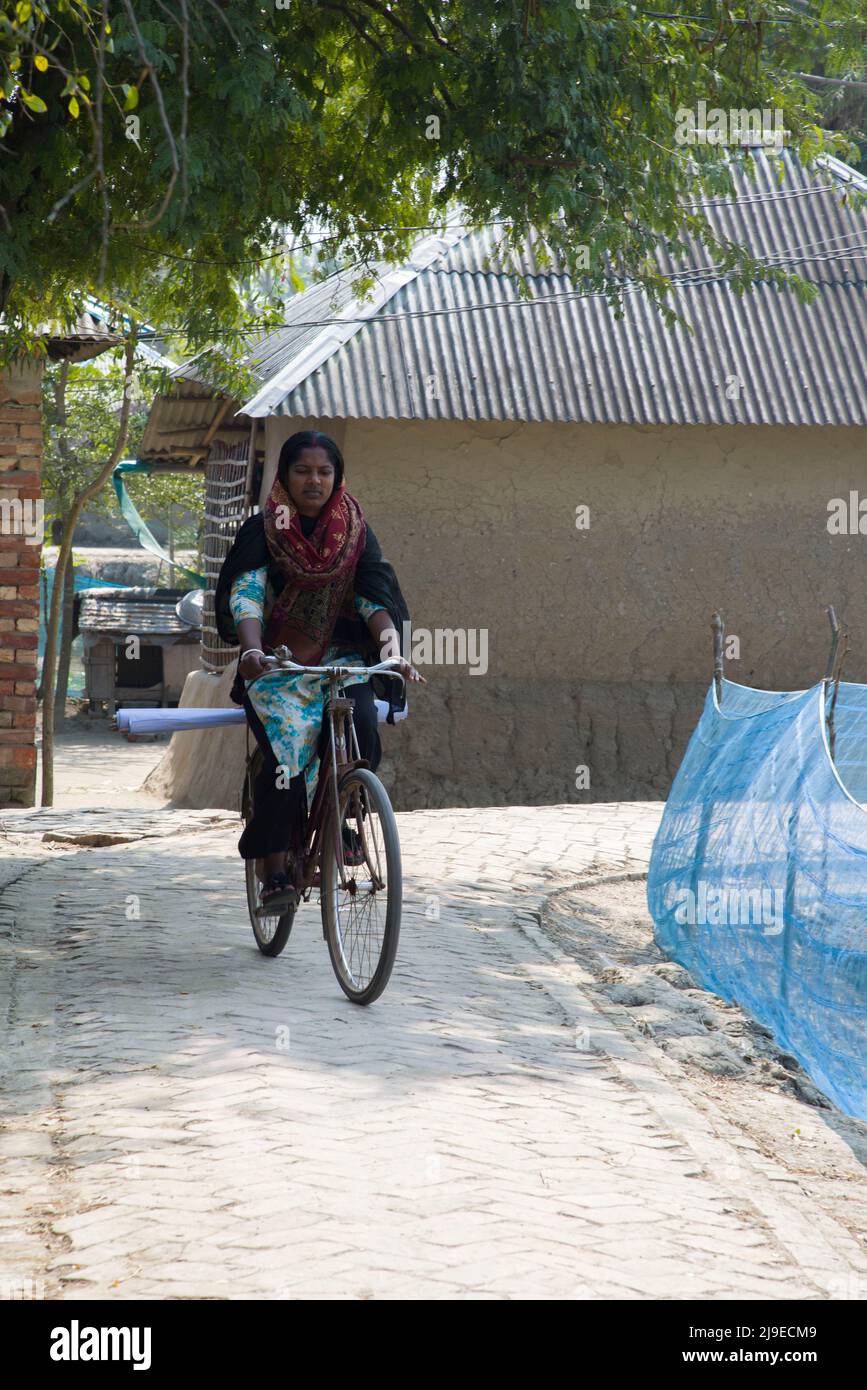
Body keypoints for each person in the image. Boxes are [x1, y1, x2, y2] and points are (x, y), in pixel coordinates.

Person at [215, 431, 424, 903]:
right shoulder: (264, 530)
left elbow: (375, 599)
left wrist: (392, 649)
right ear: (285, 477)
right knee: (288, 748)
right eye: (303, 471)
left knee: (363, 724)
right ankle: (273, 868)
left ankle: (344, 817)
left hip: (342, 658)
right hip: (276, 661)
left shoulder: (355, 531)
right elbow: (246, 592)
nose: (314, 480)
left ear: (337, 477)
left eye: (324, 471)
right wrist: (251, 653)